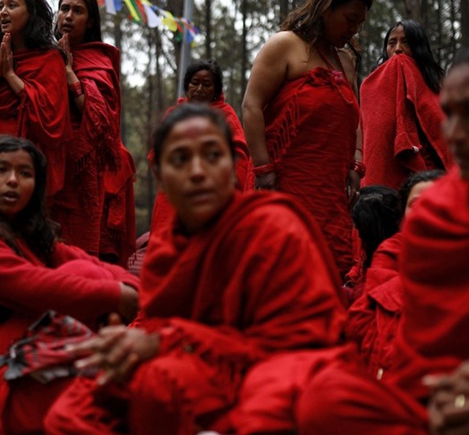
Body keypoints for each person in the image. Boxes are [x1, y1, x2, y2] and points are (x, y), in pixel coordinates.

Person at [44, 104, 346, 435]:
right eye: (180, 159)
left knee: (159, 384)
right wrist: (127, 343)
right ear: (159, 175)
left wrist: (164, 343)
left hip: (273, 370)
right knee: (71, 408)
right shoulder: (165, 251)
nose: (198, 171)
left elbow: (302, 341)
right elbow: (155, 325)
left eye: (213, 155)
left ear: (233, 166)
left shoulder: (274, 228)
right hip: (193, 368)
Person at [296, 14, 469, 435]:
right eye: (448, 114)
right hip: (440, 406)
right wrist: (440, 405)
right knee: (325, 399)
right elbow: (417, 358)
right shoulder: (435, 216)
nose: (454, 134)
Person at [0, 135, 139, 434]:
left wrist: (130, 289)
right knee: (83, 283)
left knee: (83, 270)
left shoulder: (27, 233)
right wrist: (116, 295)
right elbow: (33, 286)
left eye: (25, 174)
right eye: (1, 170)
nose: (13, 181)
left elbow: (90, 262)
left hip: (21, 341)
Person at [242, 0, 374, 276]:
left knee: (328, 268)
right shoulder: (285, 45)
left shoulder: (346, 61)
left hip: (329, 190)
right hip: (282, 183)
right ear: (326, 7)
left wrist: (357, 163)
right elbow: (251, 106)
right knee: (281, 266)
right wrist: (263, 171)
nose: (354, 29)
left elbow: (354, 116)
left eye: (360, 23)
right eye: (349, 18)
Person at [51, 0, 135, 263]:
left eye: (77, 11)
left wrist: (67, 72)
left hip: (84, 164)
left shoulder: (100, 61)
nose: (68, 16)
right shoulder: (41, 54)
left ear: (90, 22)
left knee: (79, 248)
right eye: (64, 9)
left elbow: (99, 116)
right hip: (49, 157)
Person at [0, 0, 70, 199]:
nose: (3, 12)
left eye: (12, 6)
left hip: (30, 154)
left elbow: (53, 118)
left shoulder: (50, 59)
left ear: (31, 13)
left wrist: (10, 76)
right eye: (0, 7)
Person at [345, 170, 443, 378]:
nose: (426, 211)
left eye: (437, 202)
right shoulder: (393, 250)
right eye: (416, 205)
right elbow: (375, 304)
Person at [150, 59, 250, 235]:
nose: (199, 89)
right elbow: (156, 154)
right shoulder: (173, 115)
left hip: (211, 192)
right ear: (187, 86)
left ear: (216, 91)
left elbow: (239, 157)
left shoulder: (225, 116)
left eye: (207, 84)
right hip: (174, 192)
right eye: (195, 83)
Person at [361, 20, 451, 189]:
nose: (398, 49)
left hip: (431, 176)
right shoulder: (372, 84)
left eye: (406, 42)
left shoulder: (439, 86)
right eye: (391, 43)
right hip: (389, 175)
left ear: (419, 47)